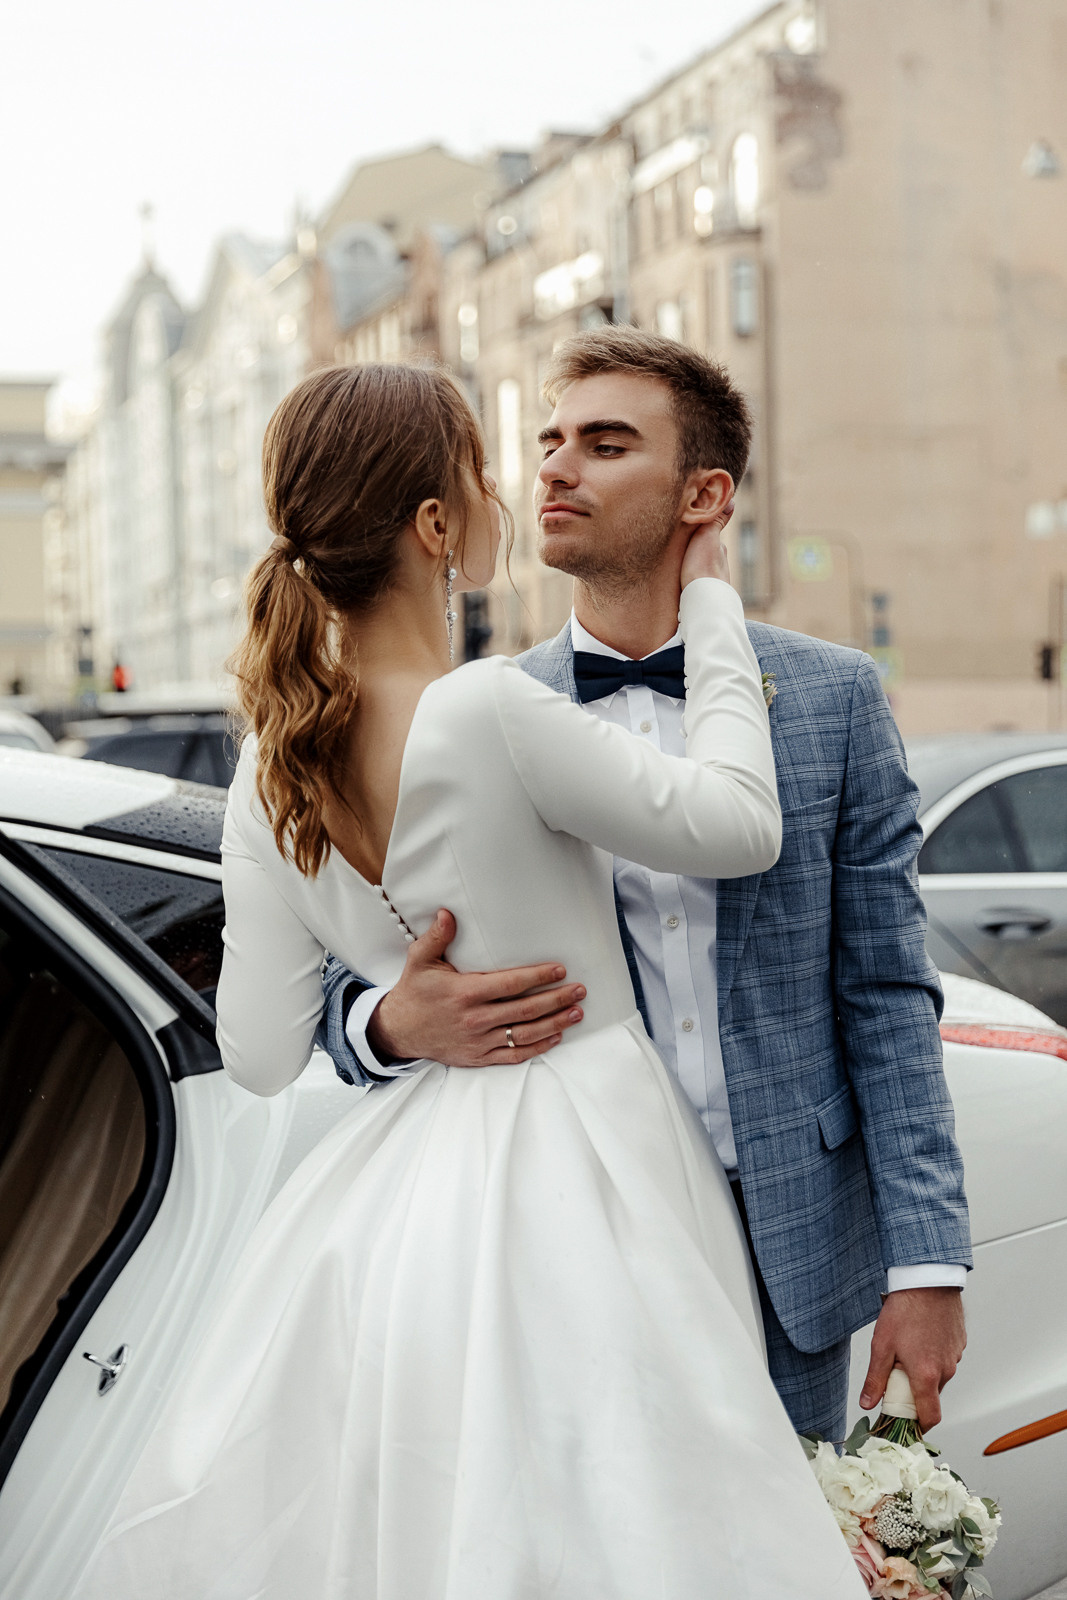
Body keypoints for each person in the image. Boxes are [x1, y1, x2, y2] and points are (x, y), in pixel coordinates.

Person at [75, 361, 865, 1598]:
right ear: (436, 526)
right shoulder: (489, 706)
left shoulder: (268, 765)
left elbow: (267, 1056)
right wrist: (709, 603)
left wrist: (390, 1016)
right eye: (484, 472)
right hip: (590, 1160)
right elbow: (736, 824)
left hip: (404, 1212)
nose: (512, 488)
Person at [320, 326, 971, 1445]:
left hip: (791, 1252)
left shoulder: (834, 699)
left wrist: (925, 1259)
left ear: (702, 494)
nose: (555, 469)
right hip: (567, 1245)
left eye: (606, 444)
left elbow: (885, 990)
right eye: (550, 441)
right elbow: (347, 961)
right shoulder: (473, 709)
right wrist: (387, 1021)